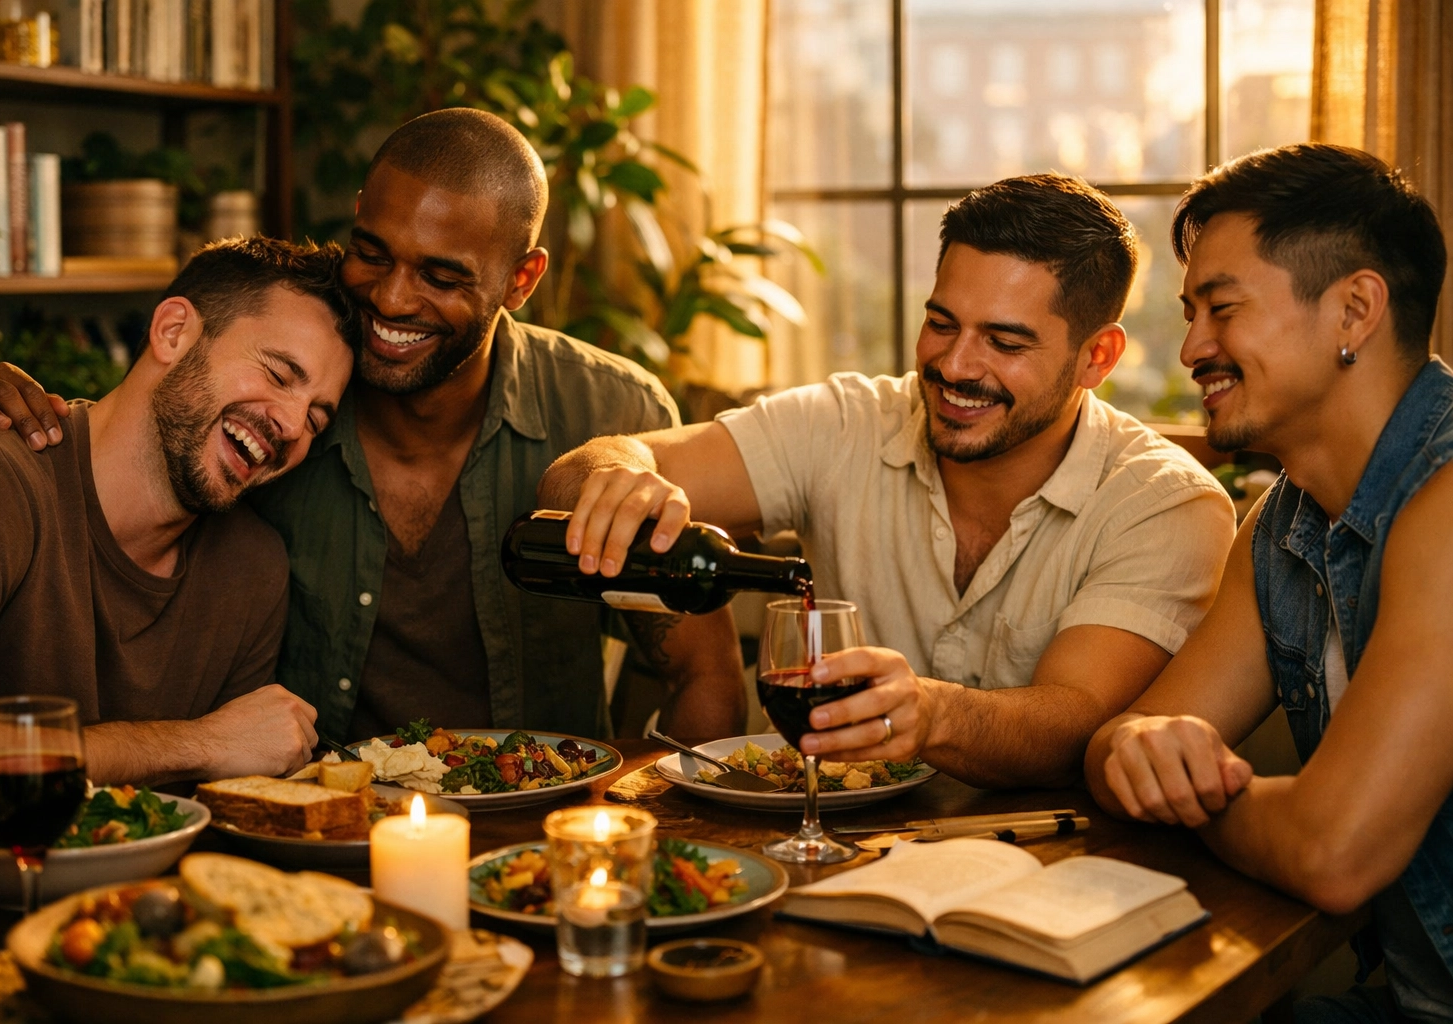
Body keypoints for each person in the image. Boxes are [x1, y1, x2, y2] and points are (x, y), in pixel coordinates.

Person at [0, 109, 745, 744]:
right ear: (356, 218)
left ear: (522, 279)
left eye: (443, 276)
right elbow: (153, 418)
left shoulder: (612, 413)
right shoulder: (283, 409)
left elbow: (698, 674)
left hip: (537, 840)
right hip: (309, 841)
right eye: (374, 251)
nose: (390, 299)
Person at [539, 174, 1236, 789]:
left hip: (1050, 875)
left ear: (1097, 357)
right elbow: (584, 469)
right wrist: (615, 475)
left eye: (1005, 342)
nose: (956, 365)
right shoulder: (848, 420)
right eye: (940, 323)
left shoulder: (1166, 502)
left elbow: (1076, 719)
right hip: (823, 847)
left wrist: (930, 712)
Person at [1083, 144, 1453, 1022]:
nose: (1191, 349)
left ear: (1354, 311)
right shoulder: (1284, 524)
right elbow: (1119, 745)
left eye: (1222, 309)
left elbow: (1334, 852)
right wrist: (1138, 752)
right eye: (1190, 314)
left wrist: (1196, 799)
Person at [0, 237, 356, 794]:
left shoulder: (254, 569)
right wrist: (196, 743)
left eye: (317, 420)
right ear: (174, 332)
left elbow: (230, 812)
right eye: (277, 373)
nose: (292, 426)